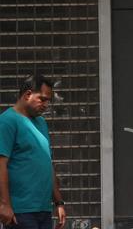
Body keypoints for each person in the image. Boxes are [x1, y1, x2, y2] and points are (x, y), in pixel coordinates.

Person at [0, 75, 65, 229]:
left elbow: (47, 163)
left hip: (43, 210)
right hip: (20, 212)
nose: (46, 105)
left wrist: (59, 202)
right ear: (28, 95)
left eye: (48, 100)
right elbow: (1, 164)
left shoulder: (41, 123)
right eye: (42, 99)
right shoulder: (7, 121)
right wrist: (4, 205)